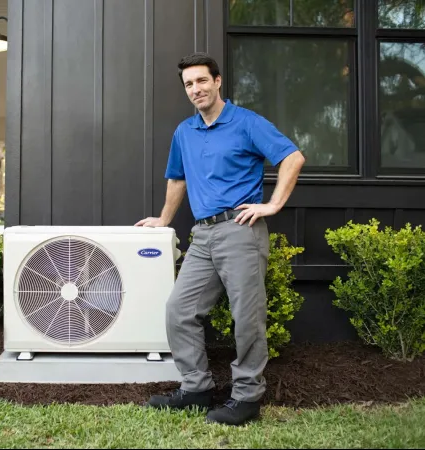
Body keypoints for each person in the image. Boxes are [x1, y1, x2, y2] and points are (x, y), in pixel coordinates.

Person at [135, 52, 305, 426]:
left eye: (201, 81)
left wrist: (272, 205)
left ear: (217, 82)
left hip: (240, 231)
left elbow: (292, 157)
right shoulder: (185, 131)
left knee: (247, 319)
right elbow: (177, 179)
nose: (196, 89)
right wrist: (164, 219)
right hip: (202, 235)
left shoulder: (245, 123)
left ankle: (246, 397)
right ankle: (196, 389)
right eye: (189, 84)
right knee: (179, 311)